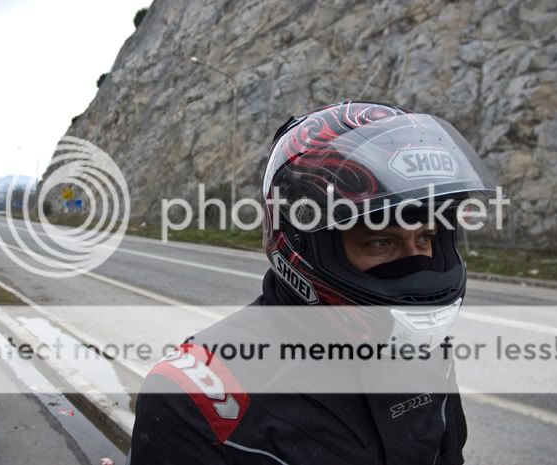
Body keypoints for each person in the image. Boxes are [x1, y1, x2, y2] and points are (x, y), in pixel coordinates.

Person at [128, 101, 498, 464]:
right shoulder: (199, 397)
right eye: (381, 242)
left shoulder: (422, 351)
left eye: (427, 238)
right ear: (306, 245)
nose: (416, 264)